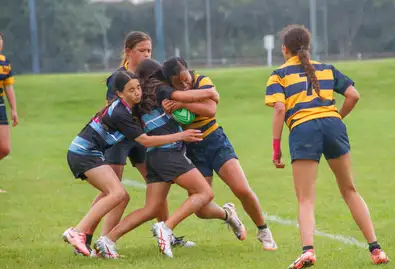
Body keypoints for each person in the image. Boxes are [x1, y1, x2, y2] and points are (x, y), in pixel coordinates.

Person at [264, 25, 389, 268]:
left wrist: (276, 147)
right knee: (349, 190)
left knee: (306, 198)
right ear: (308, 47)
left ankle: (308, 251)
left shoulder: (278, 74)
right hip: (333, 126)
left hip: (303, 129)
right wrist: (337, 118)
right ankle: (376, 249)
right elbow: (353, 95)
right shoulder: (326, 69)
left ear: (284, 49)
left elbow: (280, 109)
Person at [94, 59, 245, 259]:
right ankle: (166, 227)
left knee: (151, 208)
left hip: (153, 156)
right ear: (154, 75)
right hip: (168, 153)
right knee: (204, 192)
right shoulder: (158, 89)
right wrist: (211, 92)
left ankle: (108, 240)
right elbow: (182, 95)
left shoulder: (139, 99)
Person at [63, 71, 202, 256]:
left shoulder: (126, 109)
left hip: (87, 152)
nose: (137, 93)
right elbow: (145, 140)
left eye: (138, 88)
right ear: (120, 93)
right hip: (84, 153)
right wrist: (181, 135)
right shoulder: (121, 113)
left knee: (120, 196)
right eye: (131, 90)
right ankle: (77, 232)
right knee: (117, 193)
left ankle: (102, 242)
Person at [161, 56, 277, 250]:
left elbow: (210, 109)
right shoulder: (167, 93)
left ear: (189, 71)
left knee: (241, 189)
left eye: (185, 79)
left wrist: (182, 103)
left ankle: (264, 231)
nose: (184, 84)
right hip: (193, 148)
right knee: (201, 207)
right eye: (178, 83)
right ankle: (228, 214)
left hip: (215, 141)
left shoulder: (202, 81)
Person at [0, 32, 19, 193]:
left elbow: (8, 87)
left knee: (4, 148)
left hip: (0, 106)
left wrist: (13, 109)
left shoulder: (4, 62)